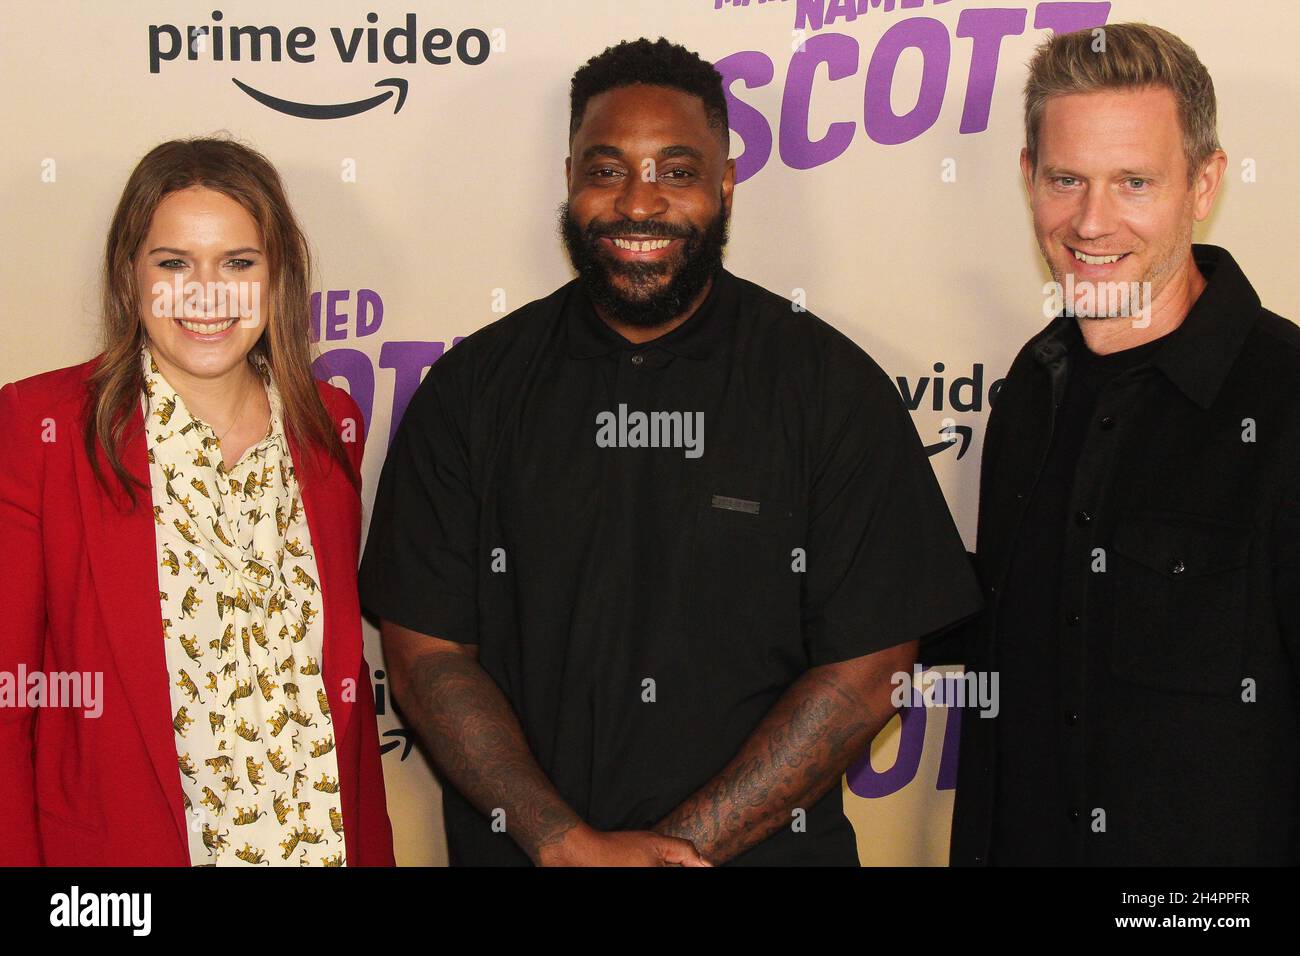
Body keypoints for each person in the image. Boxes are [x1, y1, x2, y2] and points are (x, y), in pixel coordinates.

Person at [360, 37, 981, 866]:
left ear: (725, 187)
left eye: (677, 172)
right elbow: (426, 657)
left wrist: (680, 849)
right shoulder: (473, 391)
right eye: (607, 169)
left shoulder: (829, 387)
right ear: (571, 181)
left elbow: (868, 671)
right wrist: (563, 843)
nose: (638, 204)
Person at [949, 23, 1300, 866]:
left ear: (1204, 183)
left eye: (1134, 182)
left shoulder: (1286, 404)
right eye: (1066, 179)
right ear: (1028, 176)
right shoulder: (1035, 385)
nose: (1091, 222)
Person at [0, 137, 395, 866]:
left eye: (238, 264)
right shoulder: (39, 429)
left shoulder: (328, 425)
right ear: (130, 276)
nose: (206, 294)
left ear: (278, 278)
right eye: (173, 263)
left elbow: (343, 715)